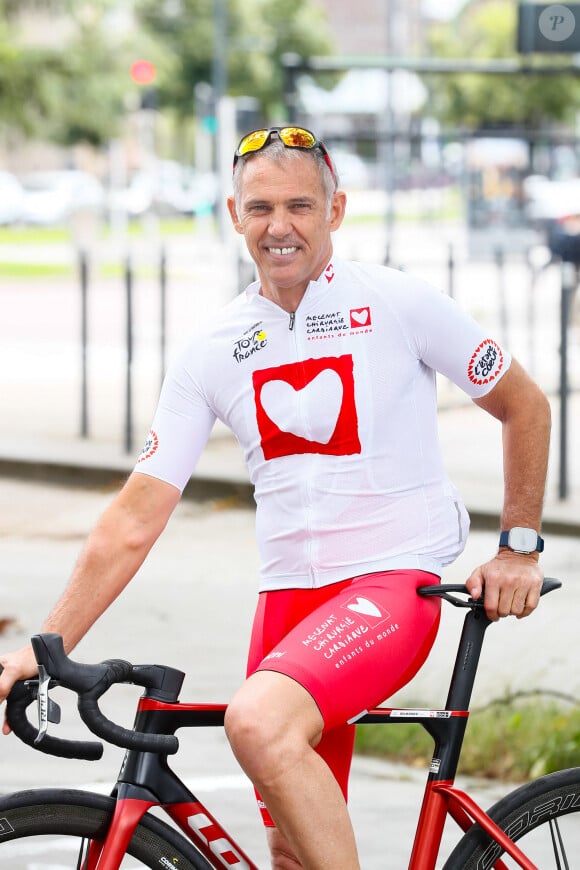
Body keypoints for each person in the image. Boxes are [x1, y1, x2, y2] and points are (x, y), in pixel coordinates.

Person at [0, 126, 550, 870]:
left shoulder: (397, 301)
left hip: (389, 584)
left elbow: (526, 405)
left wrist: (517, 548)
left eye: (300, 205)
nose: (279, 226)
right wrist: (49, 643)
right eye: (260, 208)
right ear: (234, 216)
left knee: (255, 721)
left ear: (336, 209)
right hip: (288, 604)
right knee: (294, 854)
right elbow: (136, 514)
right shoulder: (213, 348)